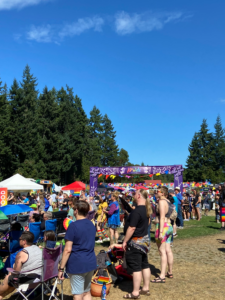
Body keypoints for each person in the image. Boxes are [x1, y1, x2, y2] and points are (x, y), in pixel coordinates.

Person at [58, 201, 97, 300]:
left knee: (78, 294)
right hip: (90, 262)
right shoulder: (92, 224)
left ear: (76, 211)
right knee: (86, 292)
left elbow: (67, 249)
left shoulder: (73, 226)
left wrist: (61, 268)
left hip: (77, 263)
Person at [122, 189, 151, 299]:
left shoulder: (137, 211)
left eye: (135, 194)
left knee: (136, 267)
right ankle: (145, 288)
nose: (133, 195)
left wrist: (125, 241)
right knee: (144, 264)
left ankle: (135, 292)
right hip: (144, 242)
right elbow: (147, 223)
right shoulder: (146, 210)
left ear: (139, 196)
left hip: (135, 242)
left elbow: (132, 227)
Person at [0, 231, 42, 300]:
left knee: (9, 277)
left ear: (24, 241)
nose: (19, 240)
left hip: (30, 279)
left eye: (20, 239)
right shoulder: (37, 248)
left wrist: (12, 270)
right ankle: (1, 296)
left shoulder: (21, 253)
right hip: (40, 278)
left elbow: (16, 273)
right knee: (12, 277)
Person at [151, 187, 174, 283]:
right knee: (168, 250)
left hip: (163, 227)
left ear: (163, 193)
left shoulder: (161, 202)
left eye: (158, 191)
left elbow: (162, 217)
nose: (156, 192)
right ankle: (170, 271)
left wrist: (160, 232)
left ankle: (162, 276)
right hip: (169, 226)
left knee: (162, 251)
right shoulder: (168, 201)